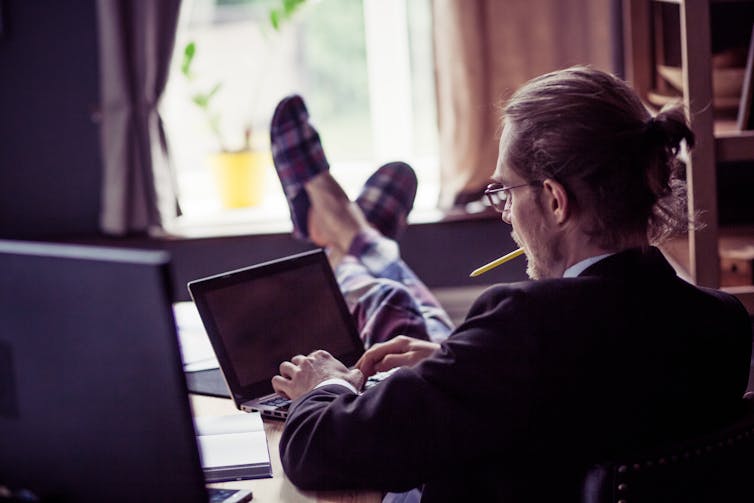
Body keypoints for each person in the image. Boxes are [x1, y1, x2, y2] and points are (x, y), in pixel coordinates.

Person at [267, 66, 753, 502]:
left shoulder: (524, 327)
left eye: (504, 191)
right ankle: (359, 240)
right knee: (402, 307)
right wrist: (456, 364)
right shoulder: (723, 322)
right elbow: (581, 399)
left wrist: (323, 384)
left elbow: (316, 450)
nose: (505, 214)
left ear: (555, 201)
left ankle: (353, 241)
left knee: (387, 298)